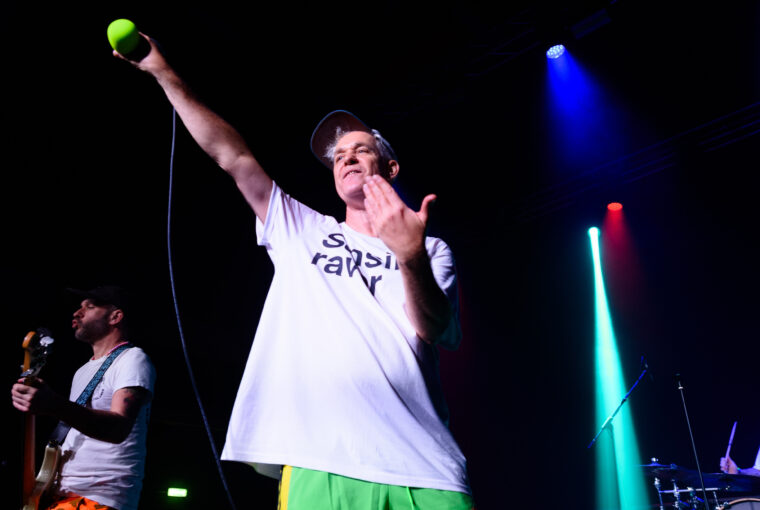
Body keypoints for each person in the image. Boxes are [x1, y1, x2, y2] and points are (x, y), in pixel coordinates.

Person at [117, 33, 473, 509]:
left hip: (425, 464)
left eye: (360, 149)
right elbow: (233, 156)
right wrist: (163, 73)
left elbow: (435, 330)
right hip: (320, 456)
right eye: (338, 156)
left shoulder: (430, 247)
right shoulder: (302, 229)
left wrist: (409, 255)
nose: (346, 157)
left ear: (389, 168)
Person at [11, 286, 156, 510]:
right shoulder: (82, 371)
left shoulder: (132, 358)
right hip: (62, 494)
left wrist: (53, 404)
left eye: (89, 307)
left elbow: (118, 428)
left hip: (100, 496)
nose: (77, 313)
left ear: (115, 317)